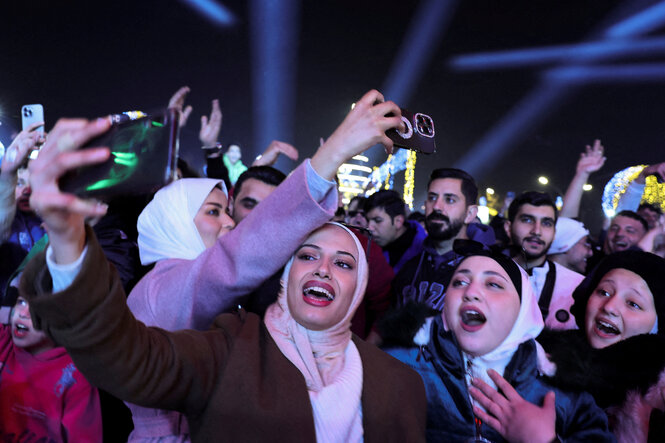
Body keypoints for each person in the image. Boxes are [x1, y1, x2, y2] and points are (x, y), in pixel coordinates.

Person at [22, 90, 427, 442]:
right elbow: (232, 262)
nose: (231, 223)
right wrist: (67, 241)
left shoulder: (397, 384)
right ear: (284, 275)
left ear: (361, 286)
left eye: (344, 263)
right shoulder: (225, 341)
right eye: (305, 254)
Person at [382, 244, 613, 442]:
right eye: (460, 282)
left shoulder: (561, 387)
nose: (471, 292)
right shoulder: (397, 365)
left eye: (493, 284)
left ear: (523, 311)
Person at [484, 250, 665, 442]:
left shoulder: (658, 396)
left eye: (633, 304)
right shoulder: (538, 355)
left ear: (658, 324)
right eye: (603, 292)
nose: (609, 306)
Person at [0, 295, 101, 441]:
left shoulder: (76, 377)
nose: (23, 313)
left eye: (39, 308)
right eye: (21, 301)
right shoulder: (4, 340)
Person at [391, 167, 494, 311]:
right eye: (432, 198)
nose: (437, 207)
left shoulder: (489, 272)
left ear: (470, 213)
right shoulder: (410, 266)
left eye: (450, 200)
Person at [504, 191, 582, 329]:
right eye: (527, 220)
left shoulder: (576, 286)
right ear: (508, 228)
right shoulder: (484, 275)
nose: (537, 231)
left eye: (546, 223)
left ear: (554, 233)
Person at [365, 189, 426, 273]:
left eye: (378, 220)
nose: (370, 228)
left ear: (398, 221)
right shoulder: (369, 247)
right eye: (368, 221)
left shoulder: (424, 252)